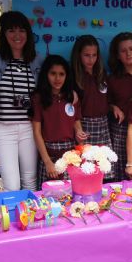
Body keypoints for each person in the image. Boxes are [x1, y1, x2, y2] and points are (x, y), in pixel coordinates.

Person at [0, 11, 43, 191]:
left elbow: (51, 85)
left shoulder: (37, 60)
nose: (17, 35)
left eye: (21, 30)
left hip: (29, 128)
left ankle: (30, 210)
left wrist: (71, 93)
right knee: (12, 184)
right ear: (4, 34)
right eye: (11, 30)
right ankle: (12, 210)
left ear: (28, 33)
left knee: (30, 181)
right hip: (2, 129)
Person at [32, 55, 87, 185]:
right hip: (49, 155)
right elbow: (36, 132)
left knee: (71, 193)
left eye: (61, 74)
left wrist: (79, 134)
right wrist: (47, 162)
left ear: (67, 76)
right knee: (49, 194)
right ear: (46, 74)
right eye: (53, 74)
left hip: (70, 156)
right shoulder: (39, 98)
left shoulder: (72, 97)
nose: (57, 78)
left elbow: (76, 123)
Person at [70, 35, 113, 179]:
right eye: (87, 55)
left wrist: (113, 107)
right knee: (86, 168)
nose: (91, 59)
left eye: (94, 55)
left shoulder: (101, 74)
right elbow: (73, 108)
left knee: (104, 169)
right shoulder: (73, 78)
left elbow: (104, 99)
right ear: (78, 55)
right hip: (84, 125)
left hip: (103, 124)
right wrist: (78, 129)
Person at [107, 32, 132, 181]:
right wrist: (112, 107)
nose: (128, 53)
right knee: (122, 176)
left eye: (131, 49)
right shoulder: (112, 79)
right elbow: (104, 102)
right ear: (117, 56)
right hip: (122, 131)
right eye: (123, 51)